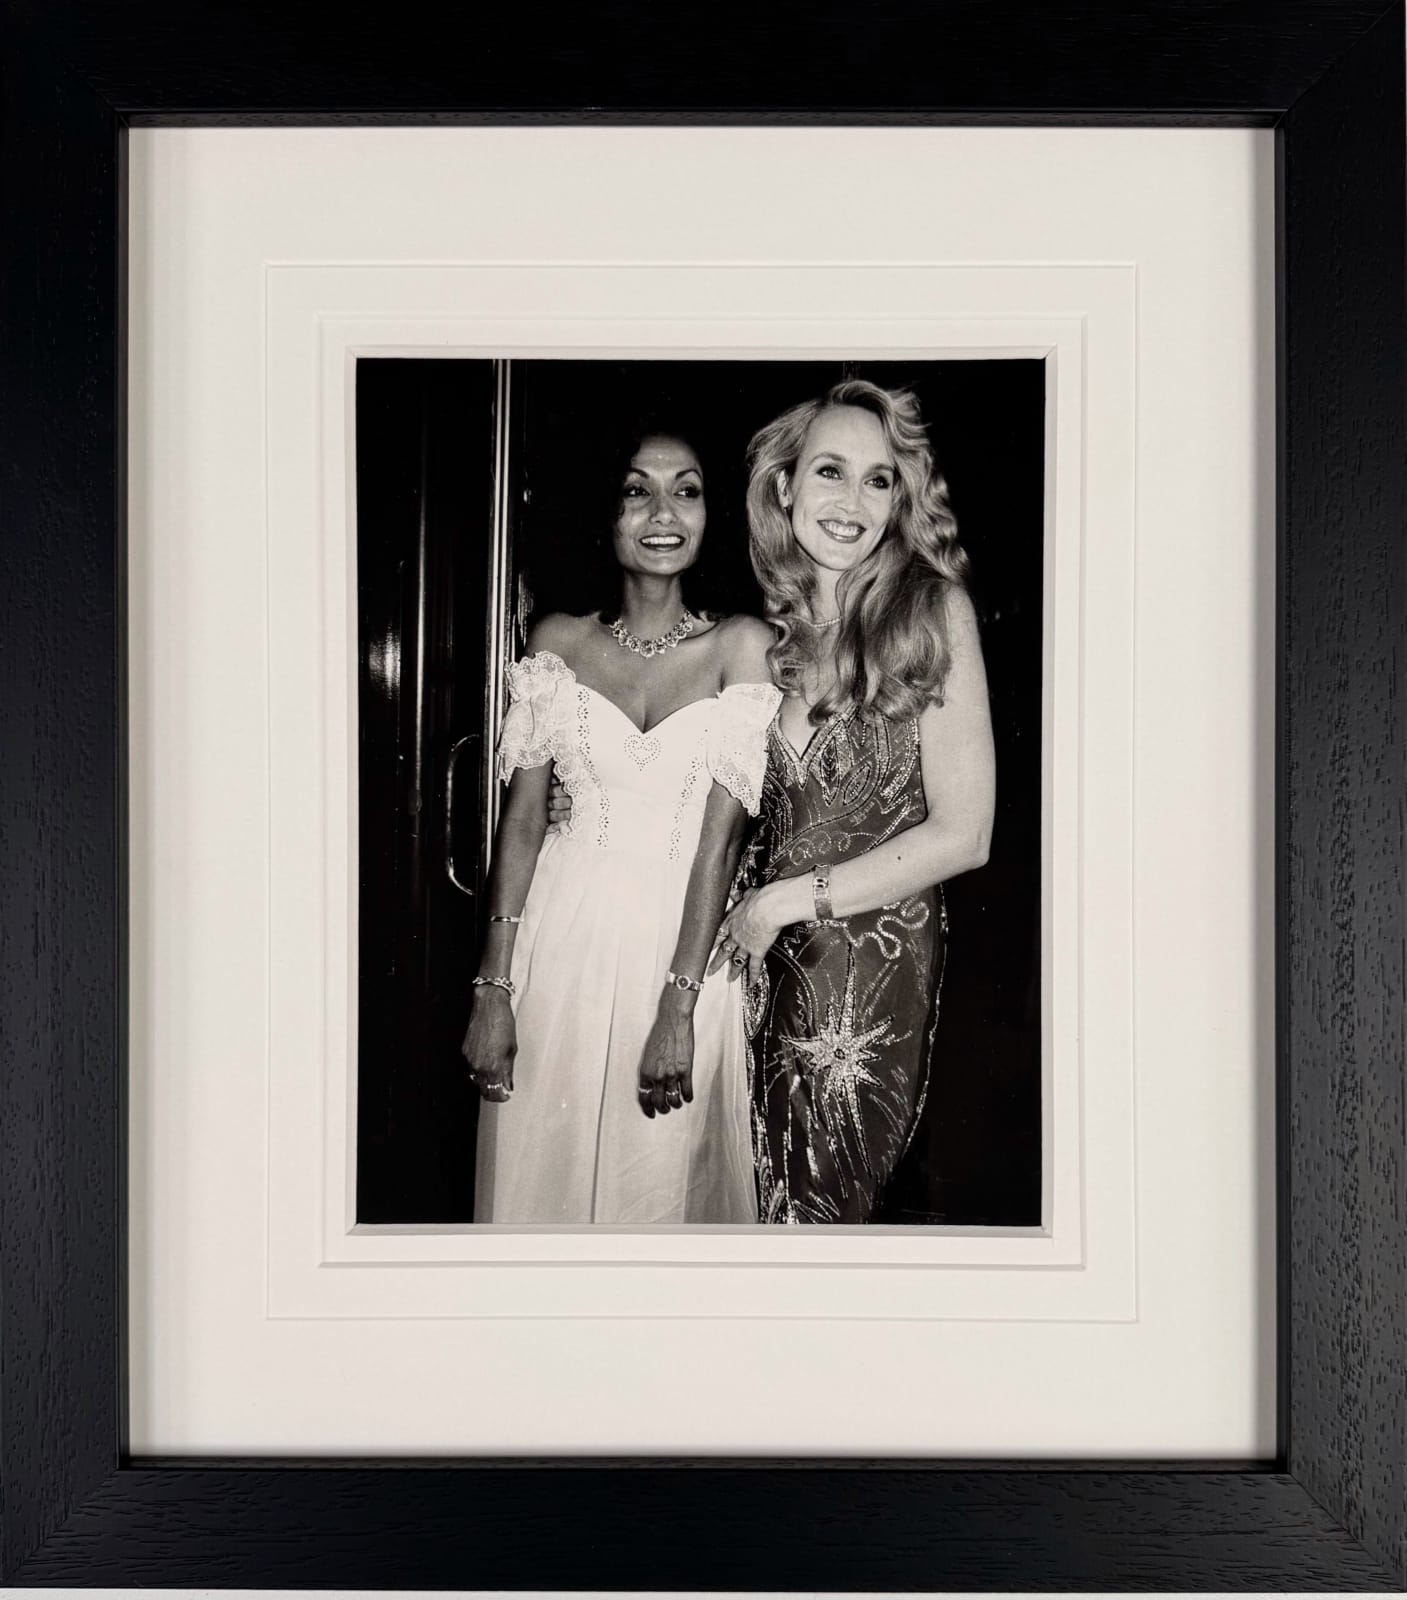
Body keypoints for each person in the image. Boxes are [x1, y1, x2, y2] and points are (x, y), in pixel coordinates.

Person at [462, 424, 781, 1224]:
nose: (662, 513)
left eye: (686, 491)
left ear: (711, 515)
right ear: (605, 513)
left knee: (655, 1196)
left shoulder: (741, 646)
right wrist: (493, 988)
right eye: (638, 490)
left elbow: (720, 842)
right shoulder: (557, 643)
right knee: (541, 1184)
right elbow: (523, 823)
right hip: (558, 941)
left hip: (680, 951)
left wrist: (678, 1004)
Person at [710, 379, 996, 1224]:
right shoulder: (767, 639)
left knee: (821, 1219)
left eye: (878, 480)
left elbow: (965, 834)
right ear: (783, 486)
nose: (853, 502)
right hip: (754, 978)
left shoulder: (930, 611)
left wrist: (782, 903)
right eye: (830, 471)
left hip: (864, 992)